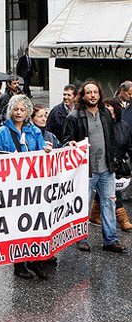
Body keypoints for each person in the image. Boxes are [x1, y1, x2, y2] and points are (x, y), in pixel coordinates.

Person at [0, 95, 54, 278]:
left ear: (27, 112)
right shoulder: (2, 132)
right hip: (13, 186)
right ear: (10, 110)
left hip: (32, 185)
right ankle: (19, 264)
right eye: (15, 109)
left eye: (22, 109)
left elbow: (41, 150)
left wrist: (47, 151)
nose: (18, 113)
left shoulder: (34, 130)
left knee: (34, 224)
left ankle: (35, 261)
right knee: (17, 226)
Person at [63, 81, 124, 253]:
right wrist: (70, 144)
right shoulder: (74, 117)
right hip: (86, 171)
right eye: (88, 92)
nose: (92, 95)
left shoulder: (105, 114)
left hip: (106, 169)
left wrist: (115, 161)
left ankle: (111, 240)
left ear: (99, 94)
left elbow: (112, 141)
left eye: (95, 92)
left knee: (109, 204)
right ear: (83, 96)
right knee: (83, 205)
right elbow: (66, 141)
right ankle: (81, 238)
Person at [93, 98, 132, 231]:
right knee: (113, 193)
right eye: (103, 106)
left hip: (118, 164)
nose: (105, 108)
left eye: (108, 105)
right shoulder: (98, 124)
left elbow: (129, 145)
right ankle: (123, 220)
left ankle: (94, 213)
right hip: (101, 164)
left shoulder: (124, 125)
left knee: (106, 191)